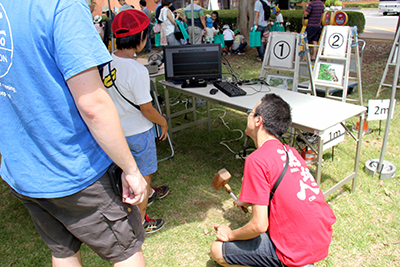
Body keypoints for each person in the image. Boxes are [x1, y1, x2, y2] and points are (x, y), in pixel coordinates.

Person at [0, 0, 147, 266]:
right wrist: (131, 169)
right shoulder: (61, 6)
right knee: (127, 252)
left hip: (22, 170)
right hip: (74, 168)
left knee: (63, 253)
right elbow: (92, 104)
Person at [210, 94, 336, 267]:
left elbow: (259, 225)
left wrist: (230, 234)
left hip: (295, 248)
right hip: (320, 236)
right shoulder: (290, 150)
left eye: (250, 113)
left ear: (258, 121)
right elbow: (284, 187)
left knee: (217, 249)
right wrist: (246, 201)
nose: (248, 116)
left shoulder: (256, 159)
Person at [106, 9, 170, 233]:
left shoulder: (104, 63)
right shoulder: (137, 70)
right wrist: (163, 121)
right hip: (139, 133)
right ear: (140, 37)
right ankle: (141, 221)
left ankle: (149, 194)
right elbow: (147, 109)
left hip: (114, 132)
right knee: (143, 174)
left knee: (126, 170)